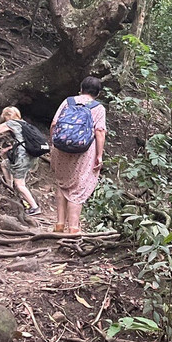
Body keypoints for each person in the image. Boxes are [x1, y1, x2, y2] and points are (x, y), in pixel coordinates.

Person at [51, 76, 107, 234]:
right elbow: (100, 132)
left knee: (62, 184)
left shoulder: (68, 102)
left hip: (61, 148)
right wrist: (99, 155)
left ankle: (59, 224)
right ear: (98, 93)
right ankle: (74, 228)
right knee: (79, 187)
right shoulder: (98, 108)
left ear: (81, 88)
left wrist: (54, 144)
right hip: (84, 152)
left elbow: (54, 124)